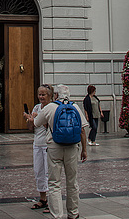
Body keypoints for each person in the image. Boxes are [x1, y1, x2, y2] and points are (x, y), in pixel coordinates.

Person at [34, 84, 88, 219]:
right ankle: (73, 213)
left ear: (55, 95)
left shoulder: (50, 107)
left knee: (54, 183)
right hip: (72, 148)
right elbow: (82, 130)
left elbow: (36, 123)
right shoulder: (75, 107)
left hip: (54, 147)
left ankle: (57, 214)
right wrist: (84, 150)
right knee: (72, 181)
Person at [24, 84, 53, 211]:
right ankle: (43, 199)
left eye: (43, 94)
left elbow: (49, 126)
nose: (41, 97)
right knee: (39, 172)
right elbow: (31, 128)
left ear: (49, 96)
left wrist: (37, 118)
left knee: (49, 173)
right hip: (37, 143)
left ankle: (53, 202)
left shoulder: (52, 108)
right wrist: (30, 119)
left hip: (49, 144)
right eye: (39, 94)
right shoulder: (37, 107)